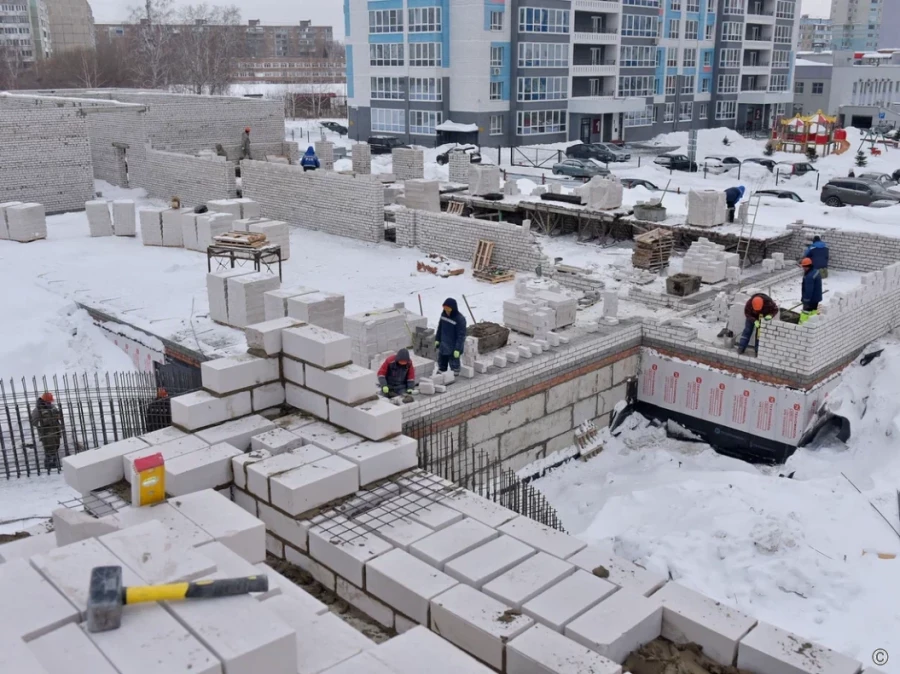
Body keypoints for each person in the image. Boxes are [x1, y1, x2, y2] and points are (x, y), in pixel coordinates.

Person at [30, 392, 63, 470]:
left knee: (55, 448)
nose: (50, 403)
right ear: (44, 401)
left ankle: (54, 463)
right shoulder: (37, 410)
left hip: (56, 432)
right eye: (48, 402)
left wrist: (58, 416)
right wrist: (48, 420)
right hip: (46, 434)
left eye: (50, 402)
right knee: (49, 450)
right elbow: (35, 422)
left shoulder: (52, 407)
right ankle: (49, 465)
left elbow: (58, 415)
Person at [435, 298, 467, 376]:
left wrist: (457, 349)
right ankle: (441, 374)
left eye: (448, 308)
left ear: (453, 308)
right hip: (443, 345)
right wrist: (437, 339)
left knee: (454, 369)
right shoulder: (443, 315)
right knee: (442, 362)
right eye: (445, 308)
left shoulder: (460, 319)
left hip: (453, 347)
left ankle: (455, 378)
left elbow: (461, 336)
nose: (446, 310)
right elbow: (440, 328)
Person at [800, 257, 823, 324]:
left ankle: (802, 325)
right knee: (813, 312)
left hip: (810, 299)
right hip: (816, 298)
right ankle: (812, 323)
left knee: (805, 313)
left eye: (803, 267)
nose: (803, 268)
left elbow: (808, 290)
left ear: (807, 267)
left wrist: (806, 301)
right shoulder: (815, 271)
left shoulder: (809, 277)